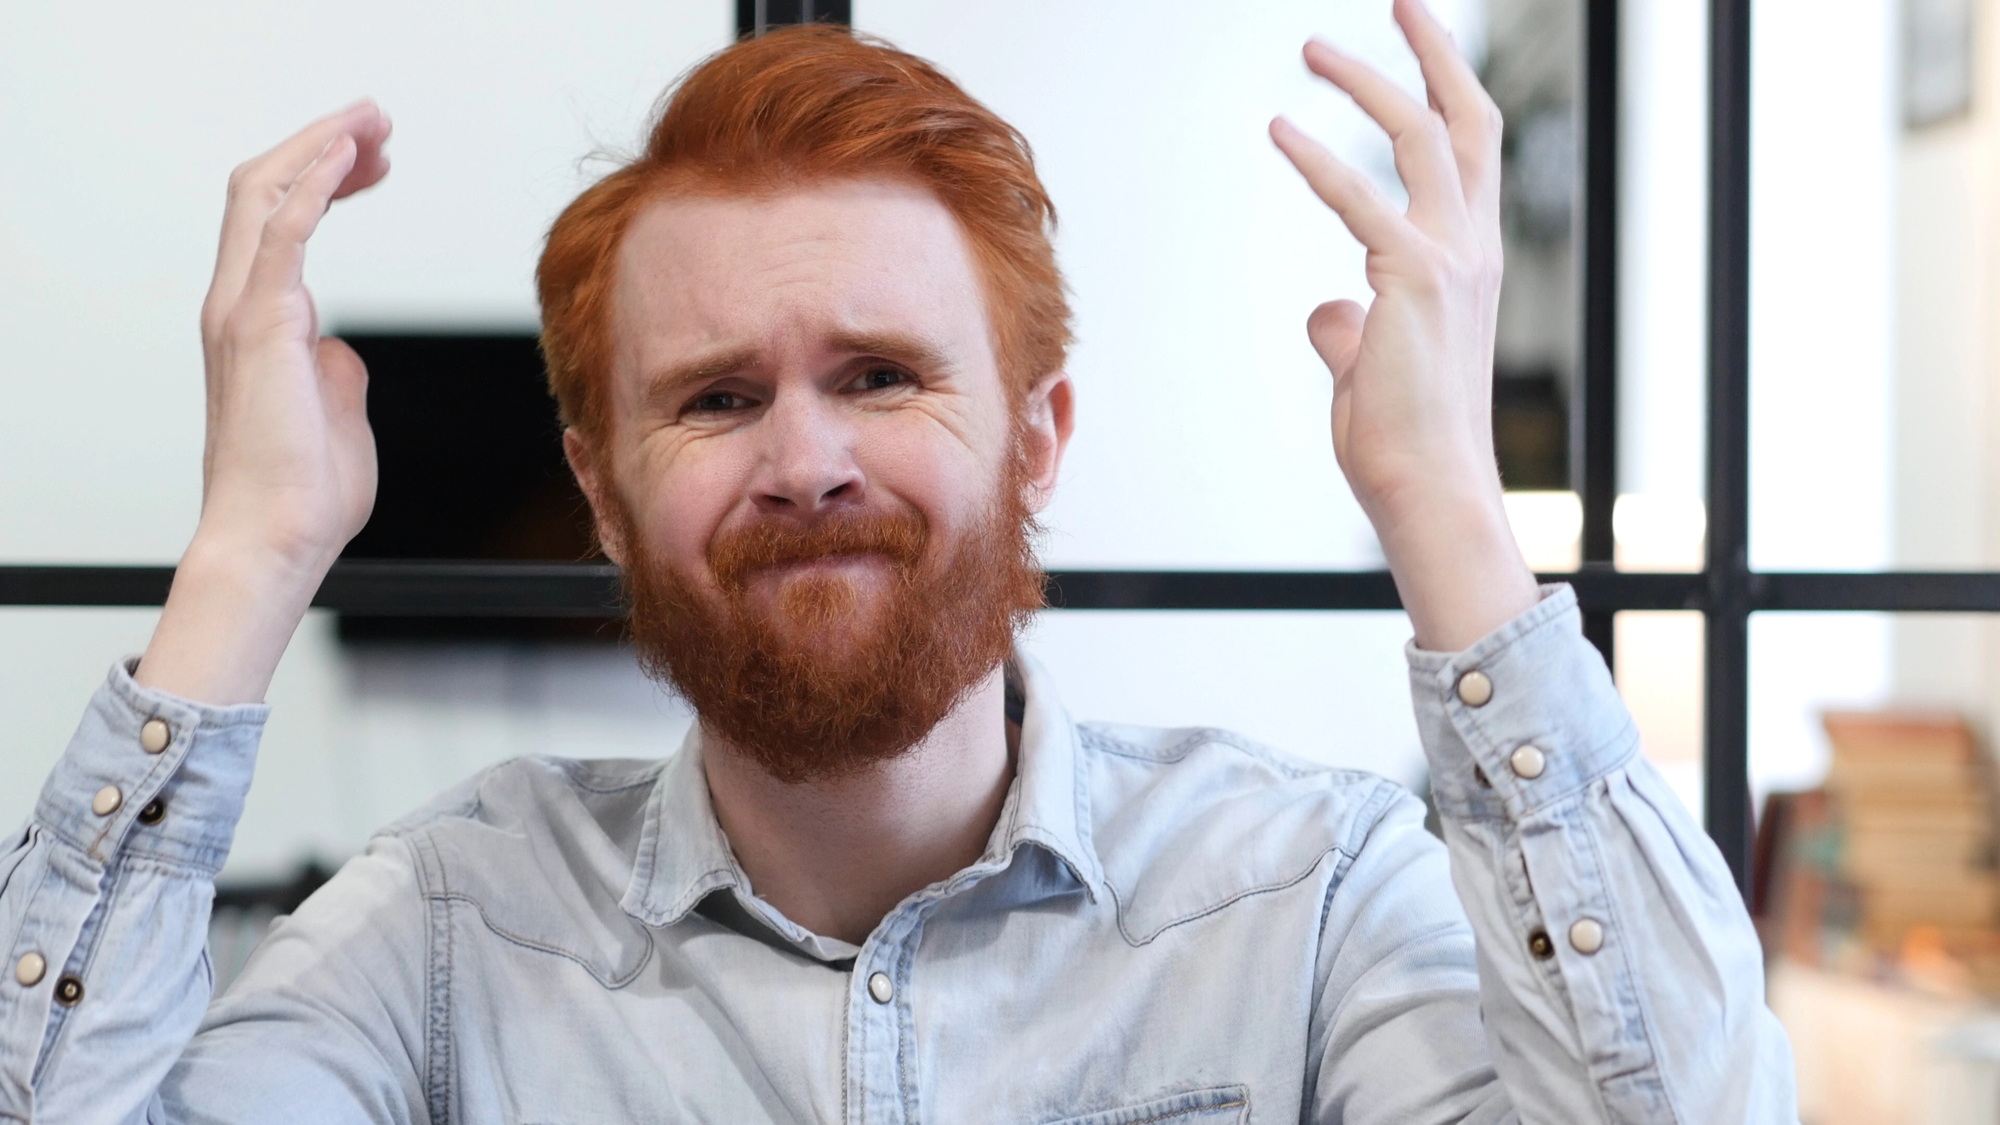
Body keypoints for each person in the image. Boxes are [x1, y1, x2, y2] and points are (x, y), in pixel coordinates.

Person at [0, 6, 1797, 1122]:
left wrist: (1450, 515)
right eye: (715, 398)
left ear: (1035, 438)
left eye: (881, 373)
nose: (805, 459)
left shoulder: (1303, 903)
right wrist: (246, 557)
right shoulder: (449, 933)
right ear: (604, 496)